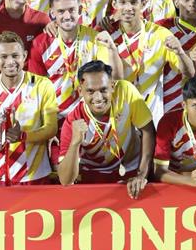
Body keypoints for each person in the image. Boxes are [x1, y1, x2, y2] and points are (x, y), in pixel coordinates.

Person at [0, 32, 58, 185]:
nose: (10, 62)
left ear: (24, 56)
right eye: (4, 57)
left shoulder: (42, 85)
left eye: (15, 56)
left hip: (35, 176)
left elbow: (51, 128)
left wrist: (23, 136)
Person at [54, 60, 154, 196]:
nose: (98, 98)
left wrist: (142, 175)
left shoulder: (125, 91)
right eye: (90, 91)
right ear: (80, 91)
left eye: (103, 90)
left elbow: (147, 130)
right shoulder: (74, 120)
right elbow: (65, 180)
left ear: (112, 86)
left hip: (131, 168)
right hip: (94, 175)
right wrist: (75, 143)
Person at [103, 0, 195, 125]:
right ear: (114, 4)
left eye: (134, 2)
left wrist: (180, 52)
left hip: (151, 112)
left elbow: (189, 73)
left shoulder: (160, 34)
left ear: (143, 4)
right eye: (122, 2)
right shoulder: (107, 35)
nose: (128, 8)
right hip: (118, 111)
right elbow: (110, 78)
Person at [28, 0, 110, 118]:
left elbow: (105, 80)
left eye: (71, 10)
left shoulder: (96, 39)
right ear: (52, 13)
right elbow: (35, 85)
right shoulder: (40, 43)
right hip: (54, 117)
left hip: (89, 115)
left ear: (80, 9)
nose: (67, 16)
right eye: (61, 11)